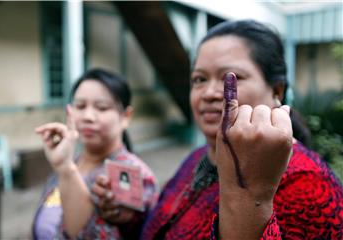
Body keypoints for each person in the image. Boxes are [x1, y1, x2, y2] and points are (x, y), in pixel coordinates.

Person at [91, 20, 343, 239]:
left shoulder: (308, 185)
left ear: (276, 90)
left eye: (230, 78)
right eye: (199, 79)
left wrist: (248, 197)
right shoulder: (197, 159)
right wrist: (130, 219)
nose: (209, 93)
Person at [32, 68, 159, 239]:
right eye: (80, 106)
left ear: (126, 117)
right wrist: (64, 165)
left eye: (102, 107)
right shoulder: (70, 162)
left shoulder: (134, 175)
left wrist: (66, 168)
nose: (88, 116)